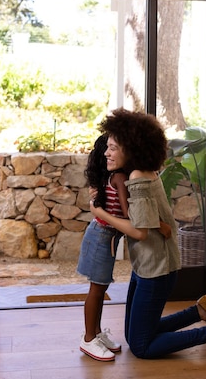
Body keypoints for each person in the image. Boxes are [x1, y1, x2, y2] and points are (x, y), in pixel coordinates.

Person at [89, 108, 206, 359]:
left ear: (132, 148)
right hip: (148, 265)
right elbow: (154, 221)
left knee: (141, 347)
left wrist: (101, 213)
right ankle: (199, 312)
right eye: (108, 146)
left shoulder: (138, 177)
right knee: (135, 334)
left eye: (113, 147)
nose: (107, 152)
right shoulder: (144, 171)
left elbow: (139, 232)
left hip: (156, 270)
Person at [76, 134, 127, 362]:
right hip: (101, 236)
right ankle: (88, 339)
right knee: (96, 291)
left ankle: (96, 333)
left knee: (100, 289)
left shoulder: (111, 177)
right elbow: (128, 214)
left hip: (103, 235)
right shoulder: (119, 177)